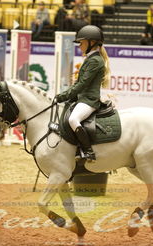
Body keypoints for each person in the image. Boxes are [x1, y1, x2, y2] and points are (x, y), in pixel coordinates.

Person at [55, 25, 110, 161]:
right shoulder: (90, 59)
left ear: (92, 43)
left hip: (89, 100)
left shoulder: (95, 61)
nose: (79, 46)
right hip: (82, 98)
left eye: (81, 42)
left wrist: (62, 96)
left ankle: (88, 151)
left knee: (73, 119)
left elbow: (82, 84)